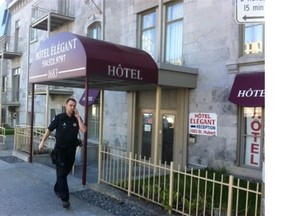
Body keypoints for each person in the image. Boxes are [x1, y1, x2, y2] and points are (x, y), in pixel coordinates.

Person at [38, 98, 87, 209]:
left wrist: (78, 117)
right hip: (60, 150)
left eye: (74, 106)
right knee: (61, 174)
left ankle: (57, 187)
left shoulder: (76, 119)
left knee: (64, 173)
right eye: (71, 105)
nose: (73, 107)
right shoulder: (59, 118)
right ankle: (65, 199)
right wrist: (42, 142)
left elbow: (83, 130)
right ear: (66, 106)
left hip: (71, 150)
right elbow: (49, 129)